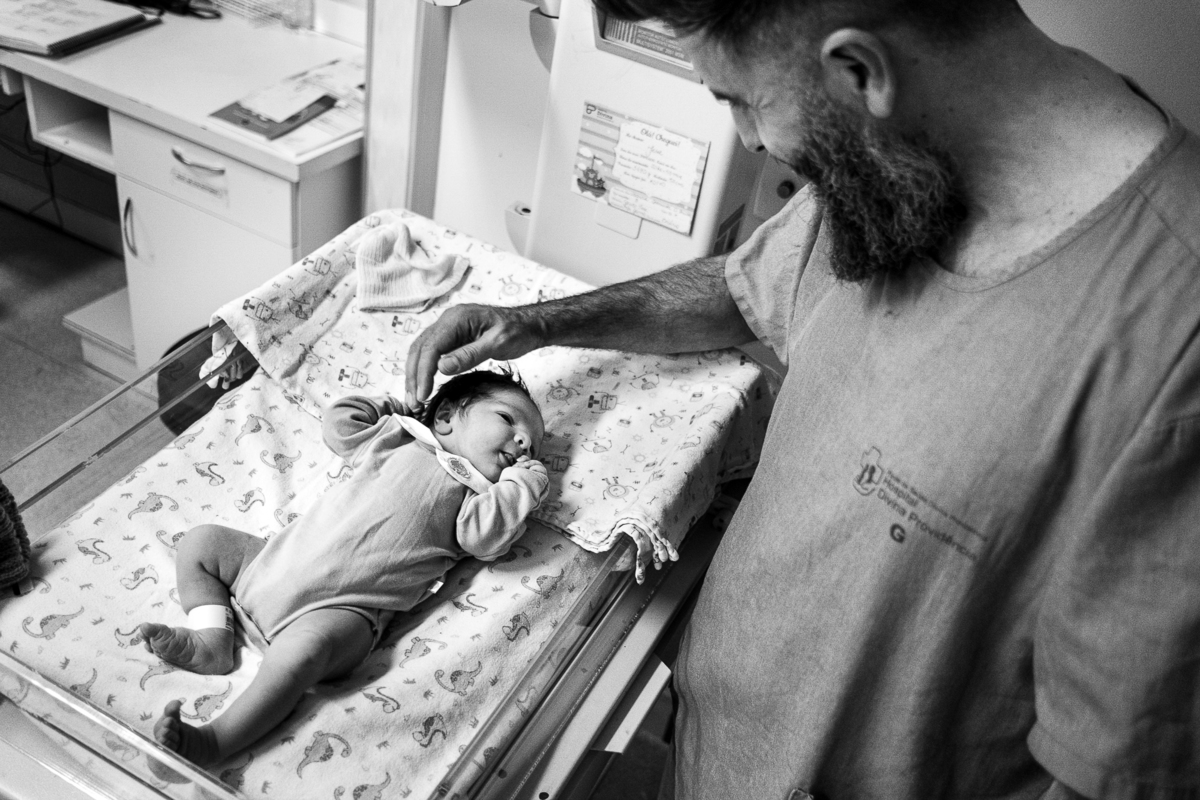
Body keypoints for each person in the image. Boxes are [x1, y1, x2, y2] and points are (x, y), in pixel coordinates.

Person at [403, 1, 1200, 798]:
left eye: (740, 102)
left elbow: (1107, 776)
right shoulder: (900, 159)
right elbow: (741, 287)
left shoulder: (1170, 336)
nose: (750, 140)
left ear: (859, 72)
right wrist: (537, 323)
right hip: (716, 748)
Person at [138, 369, 548, 767]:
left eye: (532, 446)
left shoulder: (477, 497)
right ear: (444, 417)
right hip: (271, 564)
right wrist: (395, 406)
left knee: (304, 655)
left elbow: (484, 539)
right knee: (202, 542)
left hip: (343, 611)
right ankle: (213, 638)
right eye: (508, 419)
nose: (524, 441)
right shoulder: (396, 438)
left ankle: (213, 740)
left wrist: (521, 485)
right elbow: (339, 425)